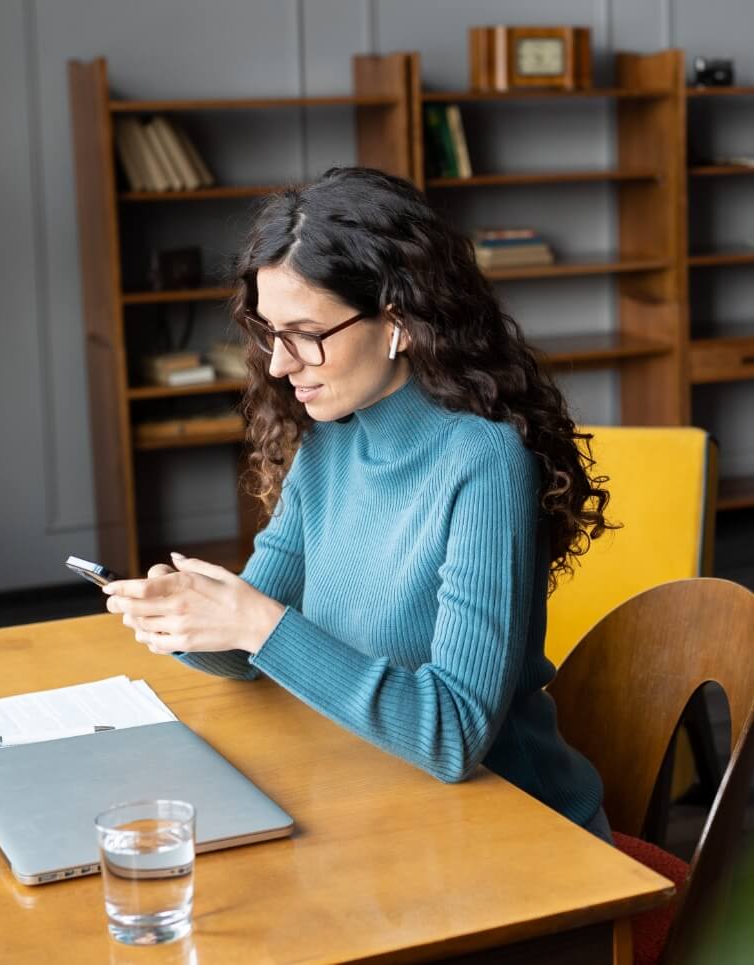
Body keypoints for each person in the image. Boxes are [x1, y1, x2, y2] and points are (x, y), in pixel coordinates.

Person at [104, 166, 615, 845]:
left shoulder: (483, 461)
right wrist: (189, 619)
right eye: (268, 332)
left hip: (517, 831)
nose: (281, 364)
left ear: (397, 322)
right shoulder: (326, 446)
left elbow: (454, 733)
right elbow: (251, 652)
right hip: (387, 804)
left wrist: (256, 622)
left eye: (305, 332)